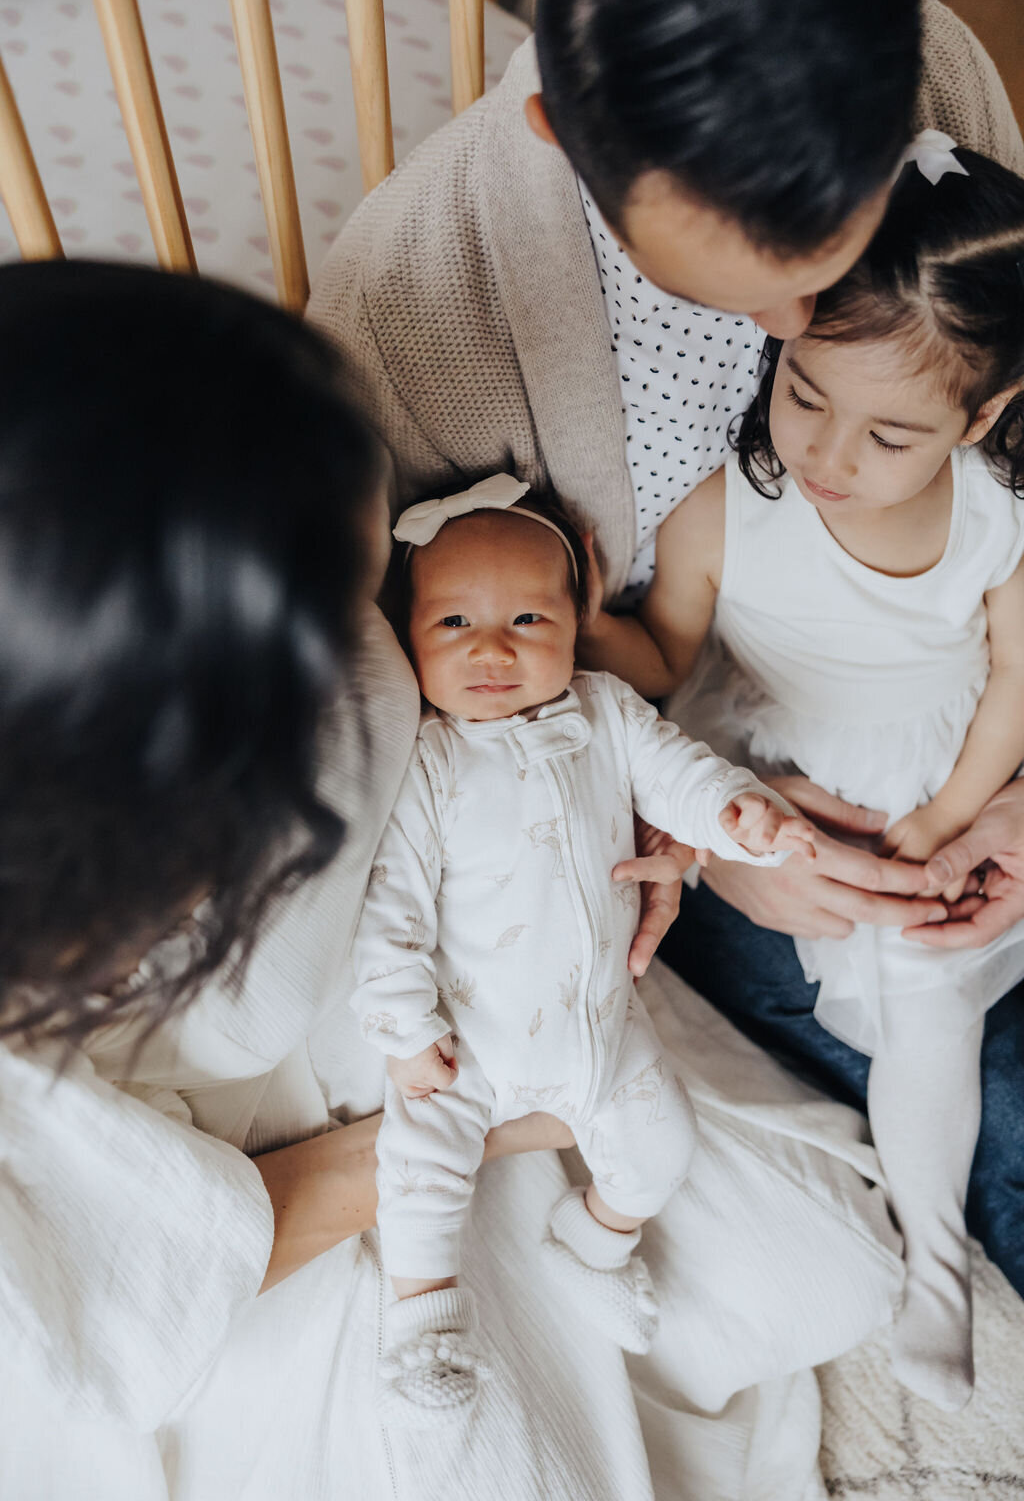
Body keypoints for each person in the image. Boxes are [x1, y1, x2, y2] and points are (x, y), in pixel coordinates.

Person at [0, 259, 907, 1501]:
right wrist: (505, 1105)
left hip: (472, 980)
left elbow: (519, 736)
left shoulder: (336, 649)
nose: (368, 624)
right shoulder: (85, 968)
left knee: (820, 1267)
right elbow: (133, 1277)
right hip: (293, 1180)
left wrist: (654, 835)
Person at [306, 0, 1024, 1293]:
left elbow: (1000, 432)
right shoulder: (413, 315)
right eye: (743, 286)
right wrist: (703, 833)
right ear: (567, 146)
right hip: (657, 792)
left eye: (830, 257)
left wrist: (1012, 797)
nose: (791, 334)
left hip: (949, 723)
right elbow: (424, 714)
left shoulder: (933, 81)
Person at [578, 140, 1024, 1409]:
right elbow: (663, 653)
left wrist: (944, 820)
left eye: (890, 434)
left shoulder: (992, 517)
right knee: (880, 962)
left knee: (932, 982)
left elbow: (1012, 687)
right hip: (775, 756)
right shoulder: (727, 508)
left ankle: (936, 1264)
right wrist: (572, 617)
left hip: (939, 771)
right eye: (806, 393)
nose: (828, 453)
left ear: (980, 419)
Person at [351, 477, 810, 1423]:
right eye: (452, 626)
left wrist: (736, 815)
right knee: (420, 1171)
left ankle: (593, 1242)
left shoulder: (606, 712)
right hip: (466, 1048)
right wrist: (404, 1028)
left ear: (577, 621)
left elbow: (680, 778)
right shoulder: (431, 761)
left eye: (526, 617)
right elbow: (388, 904)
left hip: (602, 1030)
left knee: (661, 1146)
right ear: (407, 637)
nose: (492, 648)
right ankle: (424, 1326)